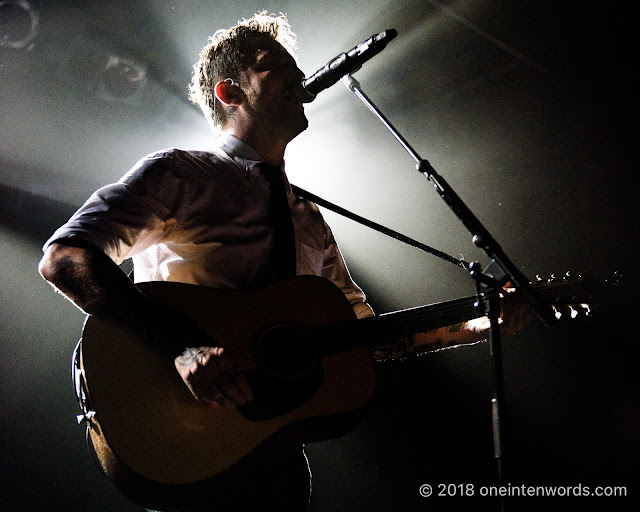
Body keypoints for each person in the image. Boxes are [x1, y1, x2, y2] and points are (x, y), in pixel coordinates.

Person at [38, 12, 528, 511]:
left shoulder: (308, 216)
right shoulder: (180, 174)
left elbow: (366, 334)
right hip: (187, 425)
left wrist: (480, 324)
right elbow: (66, 257)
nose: (298, 76)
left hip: (272, 449)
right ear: (230, 93)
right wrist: (183, 347)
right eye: (275, 66)